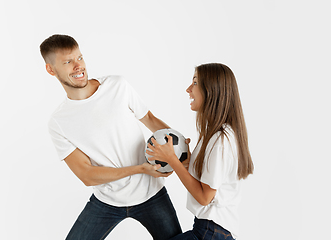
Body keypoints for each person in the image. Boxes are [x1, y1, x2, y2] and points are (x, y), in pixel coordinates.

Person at [40, 34, 182, 240]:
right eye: (68, 62)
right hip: (107, 201)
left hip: (152, 195)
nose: (78, 66)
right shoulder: (59, 122)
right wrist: (140, 169)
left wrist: (178, 145)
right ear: (51, 69)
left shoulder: (117, 86)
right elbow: (87, 175)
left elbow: (149, 119)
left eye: (79, 58)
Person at [147, 63, 254, 239]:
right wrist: (189, 164)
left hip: (212, 231)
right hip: (209, 229)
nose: (188, 89)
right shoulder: (214, 134)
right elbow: (206, 186)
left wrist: (172, 159)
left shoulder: (220, 140)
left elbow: (205, 198)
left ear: (211, 90)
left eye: (195, 83)